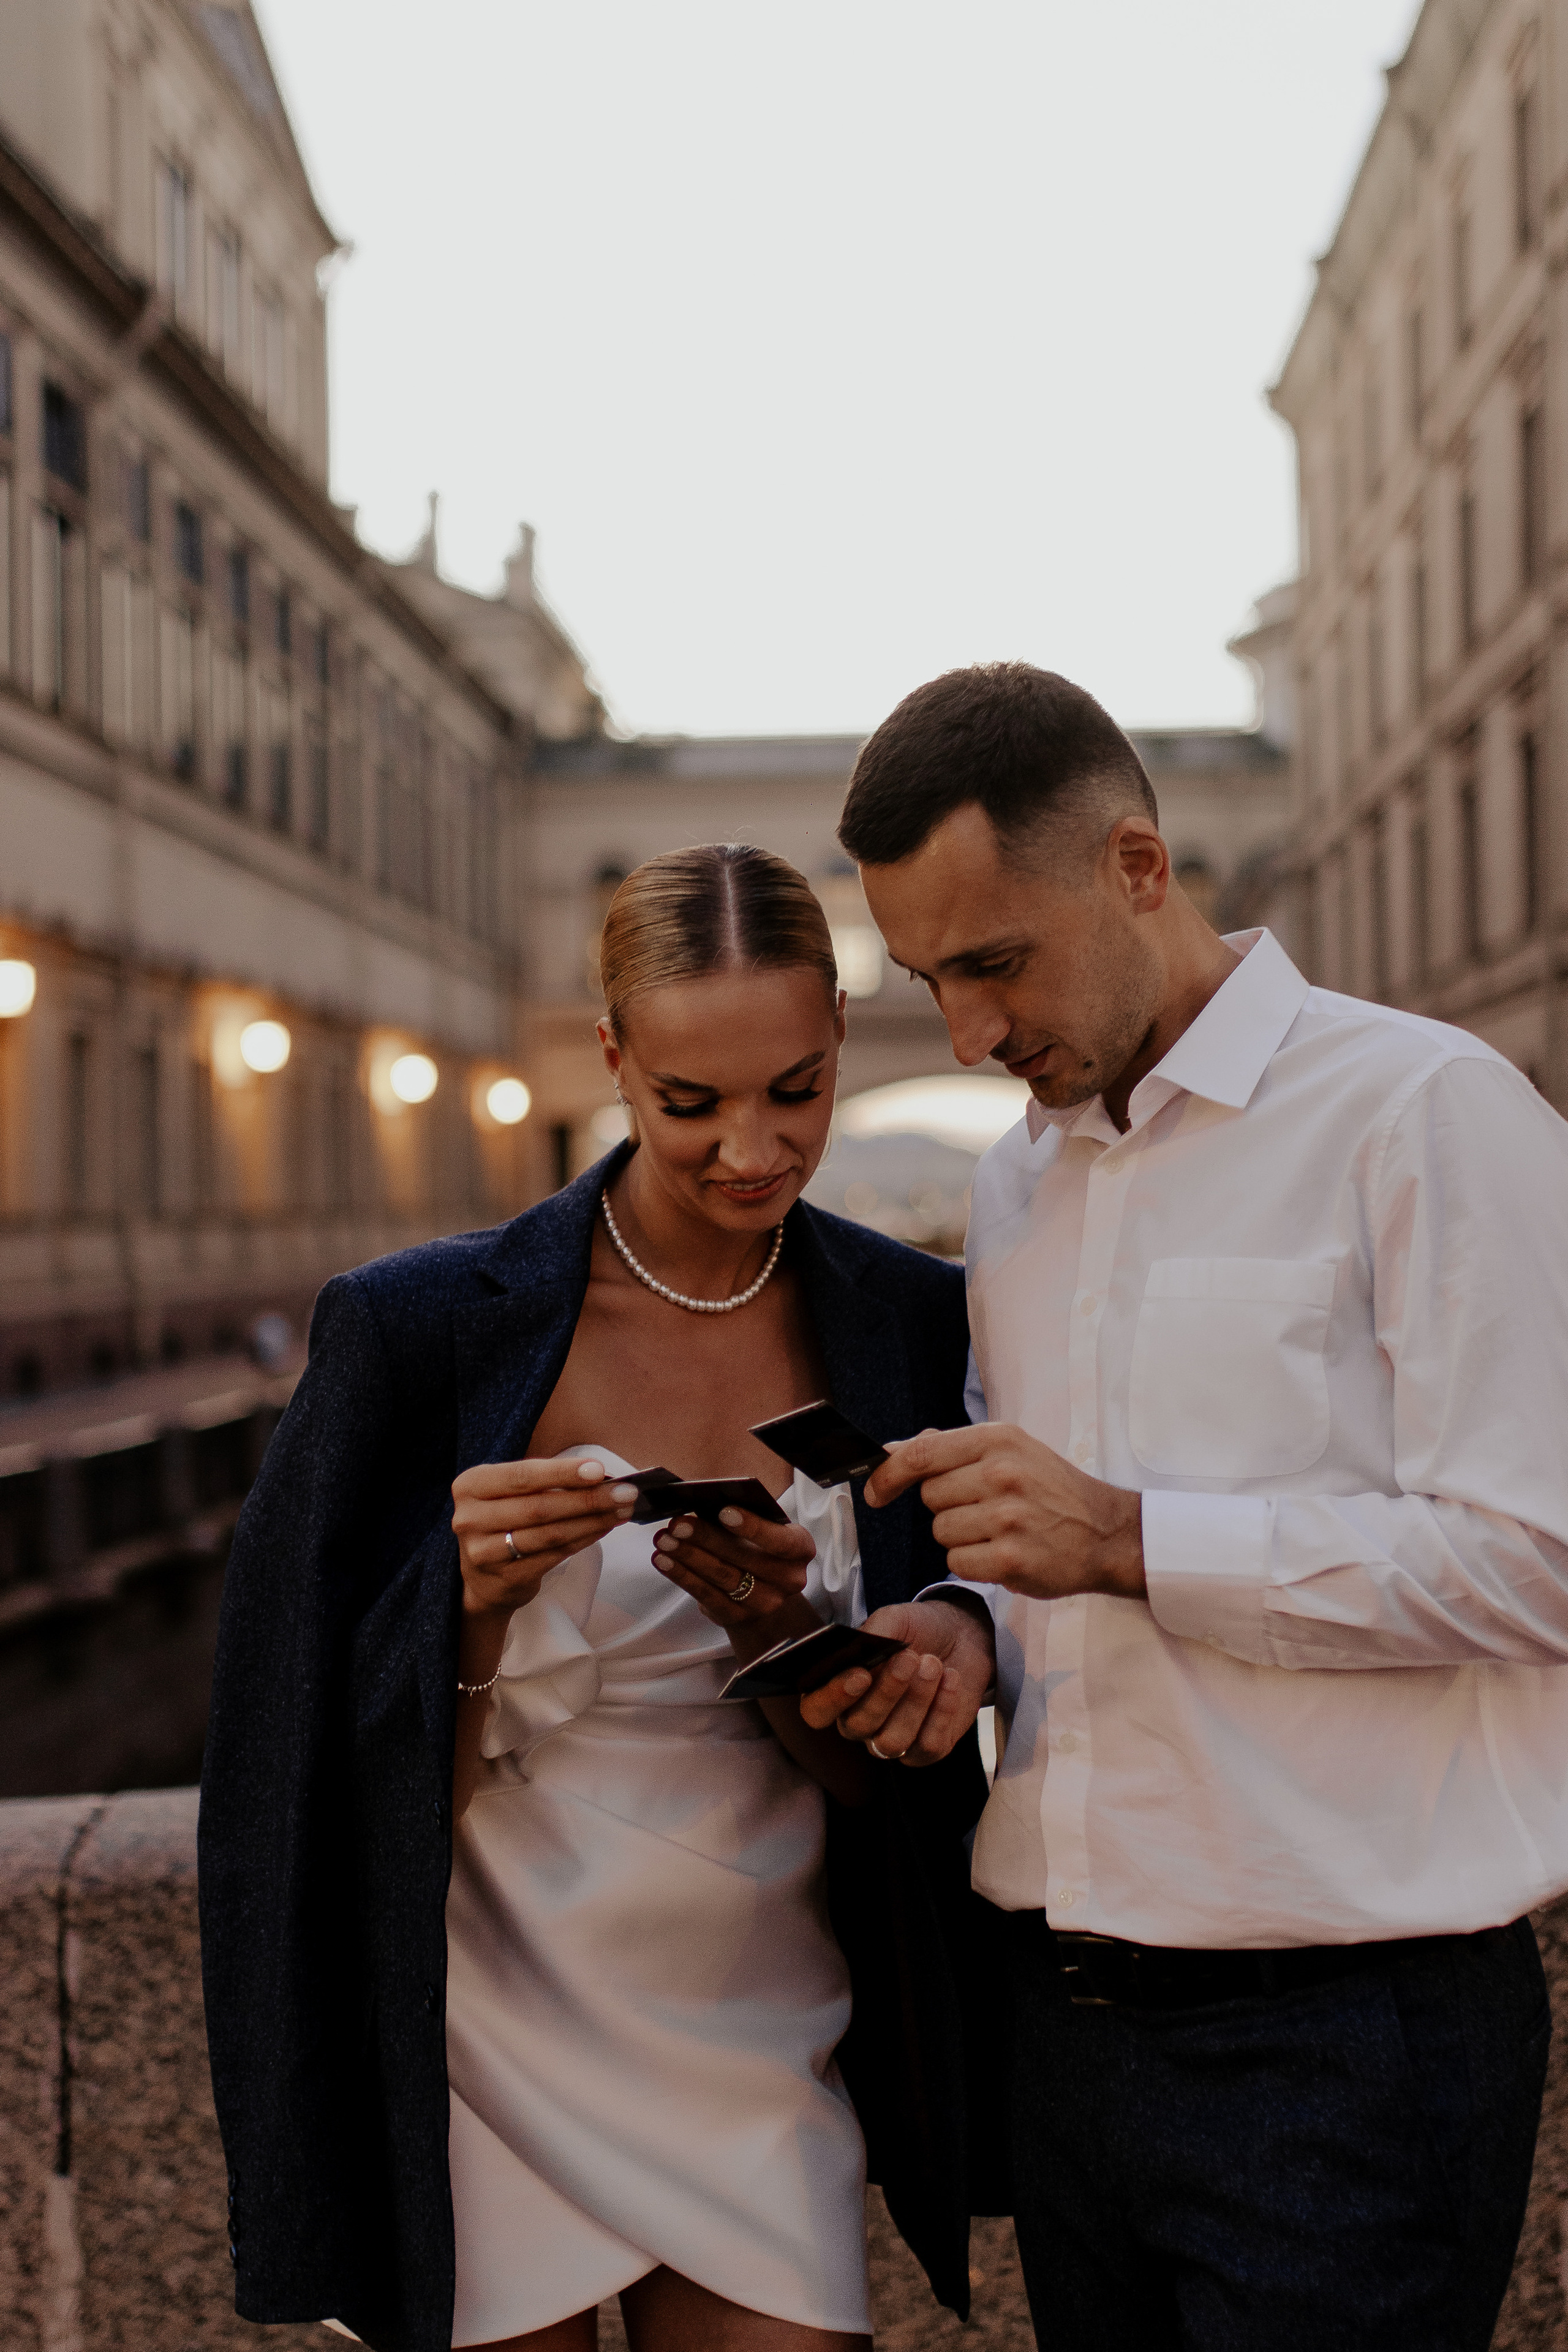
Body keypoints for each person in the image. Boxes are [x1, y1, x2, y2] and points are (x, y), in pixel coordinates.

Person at [803, 660, 1568, 2352]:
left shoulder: (1426, 1113)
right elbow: (1043, 1518)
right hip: (1066, 2029)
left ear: (1139, 868)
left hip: (1348, 2042)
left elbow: (1548, 1560)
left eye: (996, 963)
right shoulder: (1019, 1174)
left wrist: (1135, 1542)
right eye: (932, 982)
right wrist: (969, 1621)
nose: (975, 1036)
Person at [198, 843, 1002, 2352]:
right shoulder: (413, 1328)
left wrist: (785, 1638)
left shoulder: (909, 1316)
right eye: (689, 1103)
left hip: (767, 2019)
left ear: (837, 1034)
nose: (752, 1150)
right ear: (612, 1056)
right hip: (481, 2018)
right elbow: (289, 1775)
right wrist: (467, 1613)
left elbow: (876, 1773)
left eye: (796, 1089)